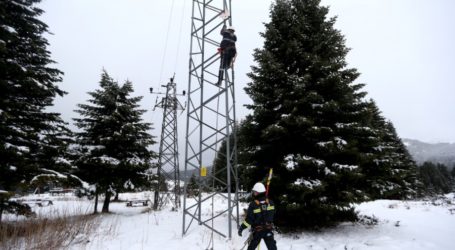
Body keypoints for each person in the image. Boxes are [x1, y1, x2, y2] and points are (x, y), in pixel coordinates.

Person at [238, 182, 277, 250]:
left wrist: (242, 227)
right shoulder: (270, 203)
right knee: (272, 248)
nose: (253, 193)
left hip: (257, 232)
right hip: (268, 230)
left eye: (254, 192)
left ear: (257, 192)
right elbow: (273, 215)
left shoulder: (253, 204)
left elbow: (249, 220)